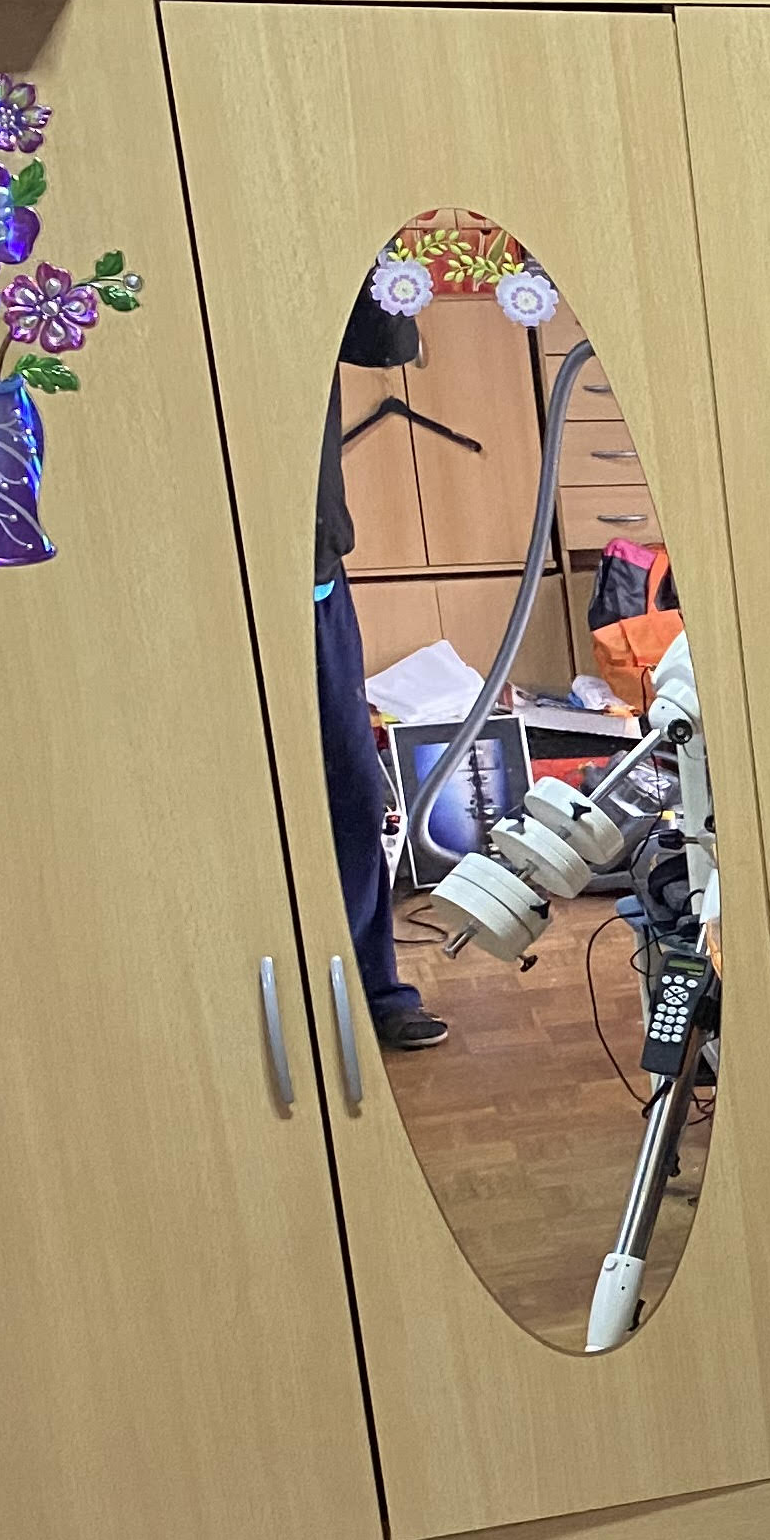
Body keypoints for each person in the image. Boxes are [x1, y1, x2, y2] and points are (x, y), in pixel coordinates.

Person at [317, 291, 448, 1051]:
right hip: (217, 587)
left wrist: (387, 265)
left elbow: (389, 342)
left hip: (315, 579)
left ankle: (375, 988)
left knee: (353, 792)